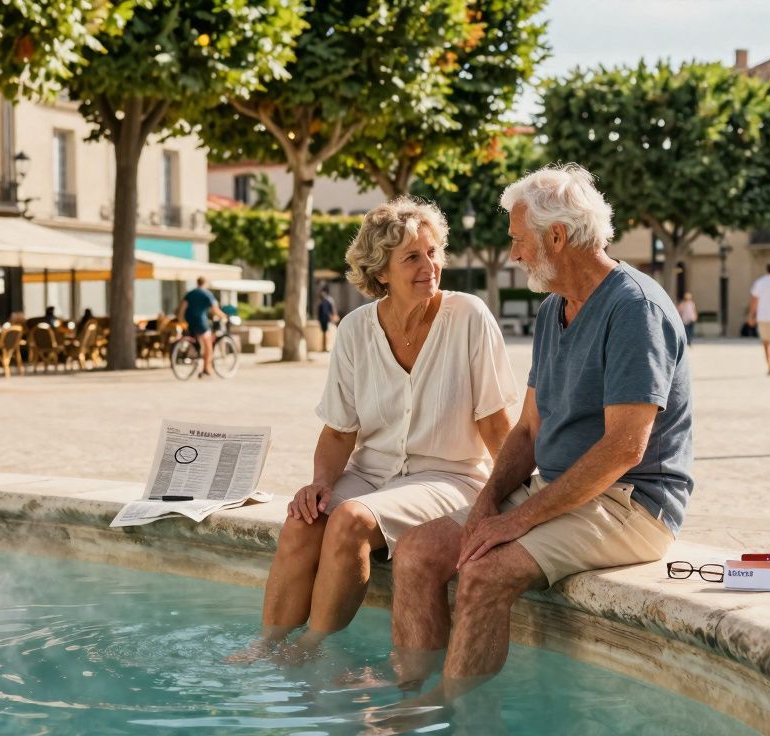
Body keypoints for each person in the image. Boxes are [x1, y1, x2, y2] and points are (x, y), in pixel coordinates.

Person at [385, 165, 691, 711]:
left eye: (519, 241)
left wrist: (517, 520)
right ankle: (415, 700)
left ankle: (463, 722)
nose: (514, 255)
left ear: (556, 236)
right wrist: (487, 503)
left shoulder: (634, 309)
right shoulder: (555, 309)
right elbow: (528, 428)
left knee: (483, 573)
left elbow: (626, 447)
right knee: (415, 551)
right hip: (561, 490)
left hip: (631, 504)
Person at [236, 197, 519, 663]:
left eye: (433, 252)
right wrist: (321, 484)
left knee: (352, 520)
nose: (429, 266)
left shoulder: (468, 317)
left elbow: (495, 422)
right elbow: (338, 432)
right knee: (303, 520)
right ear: (381, 272)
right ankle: (267, 645)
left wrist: (510, 499)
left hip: (447, 476)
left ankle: (309, 649)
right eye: (412, 257)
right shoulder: (353, 331)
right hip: (372, 473)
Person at [176, 277, 225, 377]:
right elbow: (215, 310)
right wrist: (224, 316)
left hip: (190, 322)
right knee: (208, 345)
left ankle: (197, 354)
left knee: (196, 342)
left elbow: (182, 308)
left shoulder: (190, 293)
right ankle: (206, 368)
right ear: (205, 283)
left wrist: (181, 321)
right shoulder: (207, 294)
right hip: (201, 322)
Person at [317, 286, 339, 353]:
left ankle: (325, 347)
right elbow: (332, 310)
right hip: (325, 320)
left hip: (326, 320)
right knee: (326, 333)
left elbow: (332, 310)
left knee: (326, 334)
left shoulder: (325, 301)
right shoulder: (326, 300)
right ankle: (325, 347)